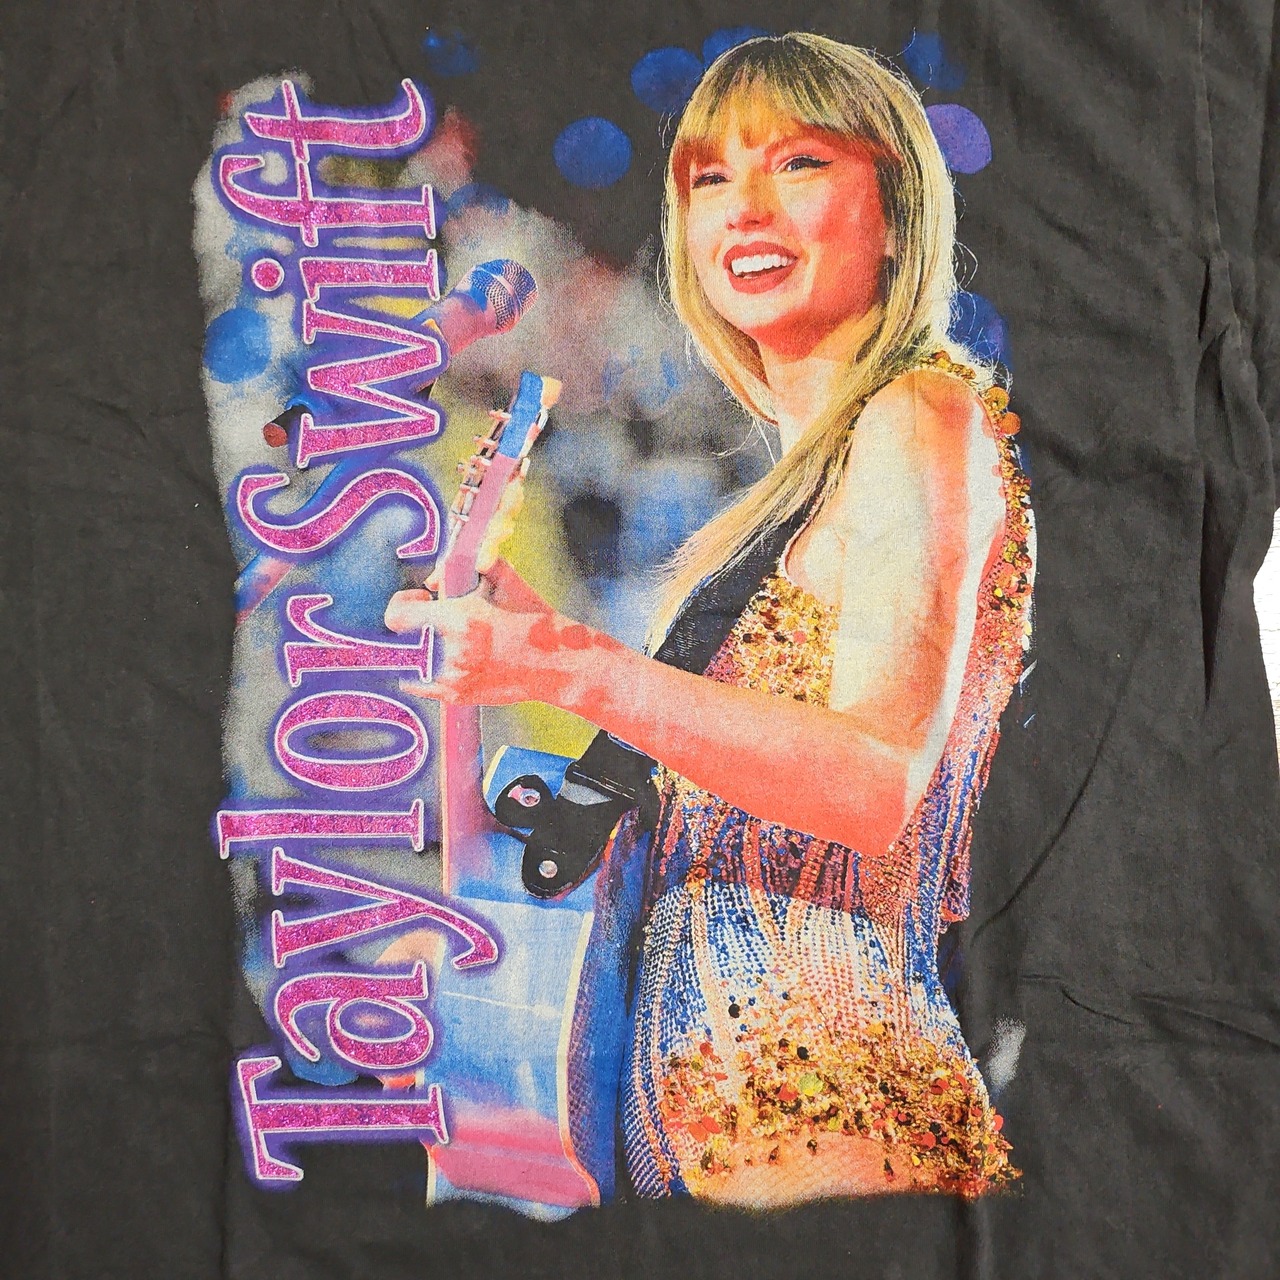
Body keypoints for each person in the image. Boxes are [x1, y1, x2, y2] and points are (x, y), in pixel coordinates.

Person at [386, 32, 1034, 1207]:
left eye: (798, 164)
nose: (745, 206)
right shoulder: (792, 492)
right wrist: (522, 640)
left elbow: (874, 780)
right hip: (719, 1137)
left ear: (896, 211)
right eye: (708, 177)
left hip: (821, 1123)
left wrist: (564, 662)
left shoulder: (915, 414)